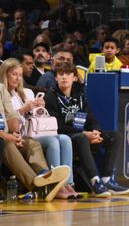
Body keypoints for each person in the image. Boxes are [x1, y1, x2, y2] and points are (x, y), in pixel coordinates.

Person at [44, 62, 129, 197]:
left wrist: (95, 131)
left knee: (115, 136)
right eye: (61, 74)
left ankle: (107, 179)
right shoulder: (51, 97)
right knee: (82, 138)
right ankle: (95, 181)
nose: (64, 77)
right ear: (56, 78)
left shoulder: (79, 96)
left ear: (75, 77)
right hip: (65, 137)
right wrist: (84, 133)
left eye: (68, 74)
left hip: (81, 133)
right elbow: (57, 126)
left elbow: (90, 117)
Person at [0, 59, 78, 199]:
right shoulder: (5, 89)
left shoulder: (3, 90)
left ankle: (47, 175)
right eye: (14, 74)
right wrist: (8, 135)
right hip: (5, 138)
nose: (18, 78)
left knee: (33, 144)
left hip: (17, 134)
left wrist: (15, 133)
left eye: (20, 75)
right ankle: (40, 186)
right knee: (7, 145)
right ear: (4, 74)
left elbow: (11, 116)